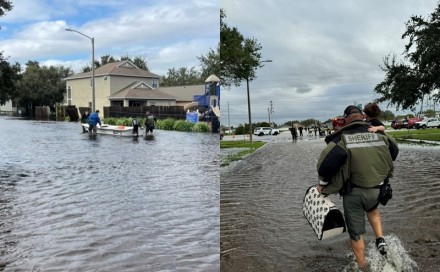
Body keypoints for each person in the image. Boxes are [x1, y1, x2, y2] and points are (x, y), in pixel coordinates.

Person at [316, 105, 399, 270]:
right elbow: (394, 152)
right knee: (373, 211)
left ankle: (362, 267)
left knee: (356, 234)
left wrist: (323, 186)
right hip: (377, 190)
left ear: (345, 119)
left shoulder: (342, 138)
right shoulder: (379, 134)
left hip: (353, 193)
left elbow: (325, 166)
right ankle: (380, 239)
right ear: (362, 116)